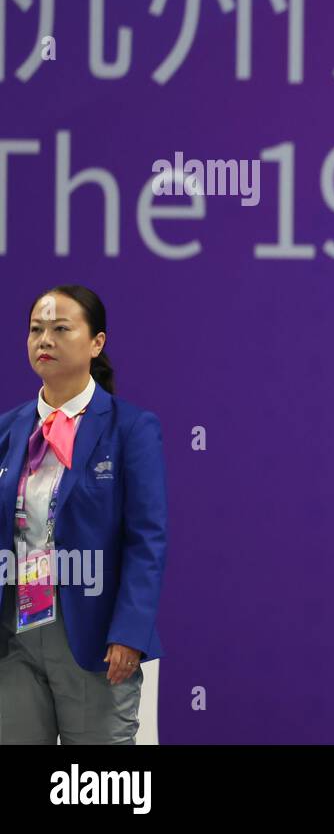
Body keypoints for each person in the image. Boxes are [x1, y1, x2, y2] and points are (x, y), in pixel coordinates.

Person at [0, 285, 167, 744]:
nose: (44, 340)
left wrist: (130, 630)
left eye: (60, 328)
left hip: (94, 638)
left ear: (97, 343)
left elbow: (146, 539)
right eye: (36, 330)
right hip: (13, 637)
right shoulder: (7, 430)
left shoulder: (131, 428)